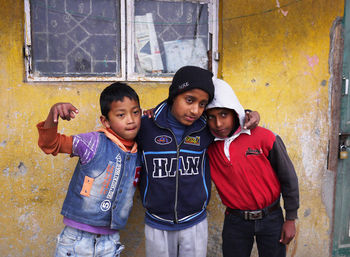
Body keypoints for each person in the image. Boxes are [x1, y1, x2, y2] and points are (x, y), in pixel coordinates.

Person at [137, 65, 260, 257]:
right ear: (173, 96)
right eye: (189, 100)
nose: (195, 110)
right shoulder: (145, 126)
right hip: (157, 221)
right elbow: (118, 128)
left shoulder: (206, 128)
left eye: (202, 104)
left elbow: (231, 121)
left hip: (195, 221)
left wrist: (250, 113)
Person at [37, 82, 142, 257]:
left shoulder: (141, 150)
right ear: (105, 121)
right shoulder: (93, 143)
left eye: (136, 112)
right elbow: (50, 144)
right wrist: (53, 114)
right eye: (121, 115)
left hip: (110, 241)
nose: (131, 120)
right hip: (76, 241)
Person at [206, 78, 299, 257]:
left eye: (224, 115)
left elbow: (288, 178)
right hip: (235, 221)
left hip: (272, 217)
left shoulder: (265, 137)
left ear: (235, 112)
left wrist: (291, 218)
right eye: (211, 117)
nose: (218, 123)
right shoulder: (207, 145)